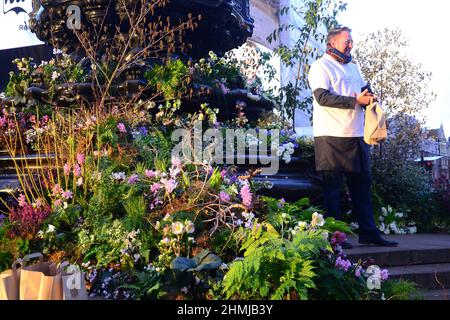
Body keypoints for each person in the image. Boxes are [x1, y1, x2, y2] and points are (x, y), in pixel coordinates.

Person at [308, 26, 398, 248]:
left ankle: (368, 233)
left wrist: (369, 98)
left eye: (351, 41)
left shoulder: (354, 68)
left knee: (362, 187)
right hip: (330, 136)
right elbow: (322, 97)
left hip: (357, 135)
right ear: (332, 43)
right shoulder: (320, 66)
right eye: (346, 41)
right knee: (333, 191)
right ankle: (336, 237)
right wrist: (355, 101)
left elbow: (364, 91)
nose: (351, 44)